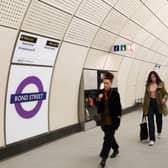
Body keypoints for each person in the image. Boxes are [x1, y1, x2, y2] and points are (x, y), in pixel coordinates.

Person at [97, 72, 122, 167]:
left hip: (112, 120)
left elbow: (119, 107)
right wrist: (99, 99)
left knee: (107, 138)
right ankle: (115, 148)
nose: (105, 85)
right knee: (109, 136)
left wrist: (118, 118)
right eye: (104, 83)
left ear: (111, 83)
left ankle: (103, 158)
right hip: (103, 120)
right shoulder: (100, 93)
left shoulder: (115, 94)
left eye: (107, 83)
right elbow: (97, 106)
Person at [143, 71, 168, 146]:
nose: (153, 78)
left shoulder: (161, 84)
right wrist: (144, 107)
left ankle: (159, 131)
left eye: (154, 76)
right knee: (150, 121)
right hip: (150, 104)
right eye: (151, 77)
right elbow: (145, 96)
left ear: (156, 77)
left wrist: (164, 99)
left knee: (159, 120)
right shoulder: (148, 85)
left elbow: (166, 94)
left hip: (159, 104)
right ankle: (152, 139)